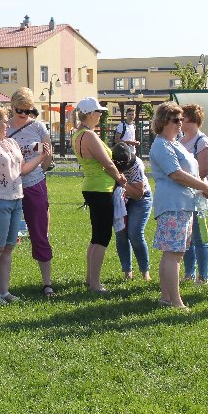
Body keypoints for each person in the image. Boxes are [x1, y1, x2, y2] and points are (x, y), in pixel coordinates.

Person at [0, 106, 51, 303]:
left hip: (15, 200)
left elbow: (22, 169)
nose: (8, 124)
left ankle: (4, 292)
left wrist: (41, 157)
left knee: (8, 248)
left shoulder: (11, 142)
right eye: (5, 121)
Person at [149, 102, 208, 309]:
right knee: (173, 254)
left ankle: (167, 297)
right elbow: (175, 174)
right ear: (163, 121)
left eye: (181, 119)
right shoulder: (162, 145)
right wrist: (203, 186)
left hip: (183, 204)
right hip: (173, 205)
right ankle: (175, 301)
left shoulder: (174, 143)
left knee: (174, 253)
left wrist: (200, 186)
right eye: (176, 120)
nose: (180, 123)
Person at [71, 97, 127, 294]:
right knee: (103, 236)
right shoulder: (89, 135)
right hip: (100, 188)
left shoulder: (78, 134)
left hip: (92, 186)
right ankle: (95, 283)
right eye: (99, 112)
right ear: (90, 114)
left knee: (96, 236)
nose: (101, 115)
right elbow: (107, 163)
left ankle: (90, 279)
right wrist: (120, 178)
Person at [6, 88, 57, 296]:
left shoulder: (38, 127)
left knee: (39, 233)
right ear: (12, 107)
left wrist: (39, 172)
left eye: (28, 110)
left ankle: (47, 283)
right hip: (9, 187)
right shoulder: (4, 127)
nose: (24, 114)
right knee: (6, 238)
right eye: (20, 110)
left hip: (34, 184)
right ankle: (1, 286)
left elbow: (48, 155)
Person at [179, 104, 208, 285]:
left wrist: (182, 177)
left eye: (181, 117)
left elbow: (204, 171)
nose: (178, 121)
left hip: (197, 195)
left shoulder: (202, 141)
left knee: (199, 237)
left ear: (191, 119)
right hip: (182, 194)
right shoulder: (180, 140)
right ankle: (189, 273)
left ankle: (203, 276)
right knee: (187, 237)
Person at [111, 142, 152, 281]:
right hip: (121, 198)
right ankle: (127, 272)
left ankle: (145, 272)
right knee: (121, 233)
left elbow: (138, 194)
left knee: (135, 233)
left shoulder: (136, 165)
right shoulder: (110, 163)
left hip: (140, 199)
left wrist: (123, 183)